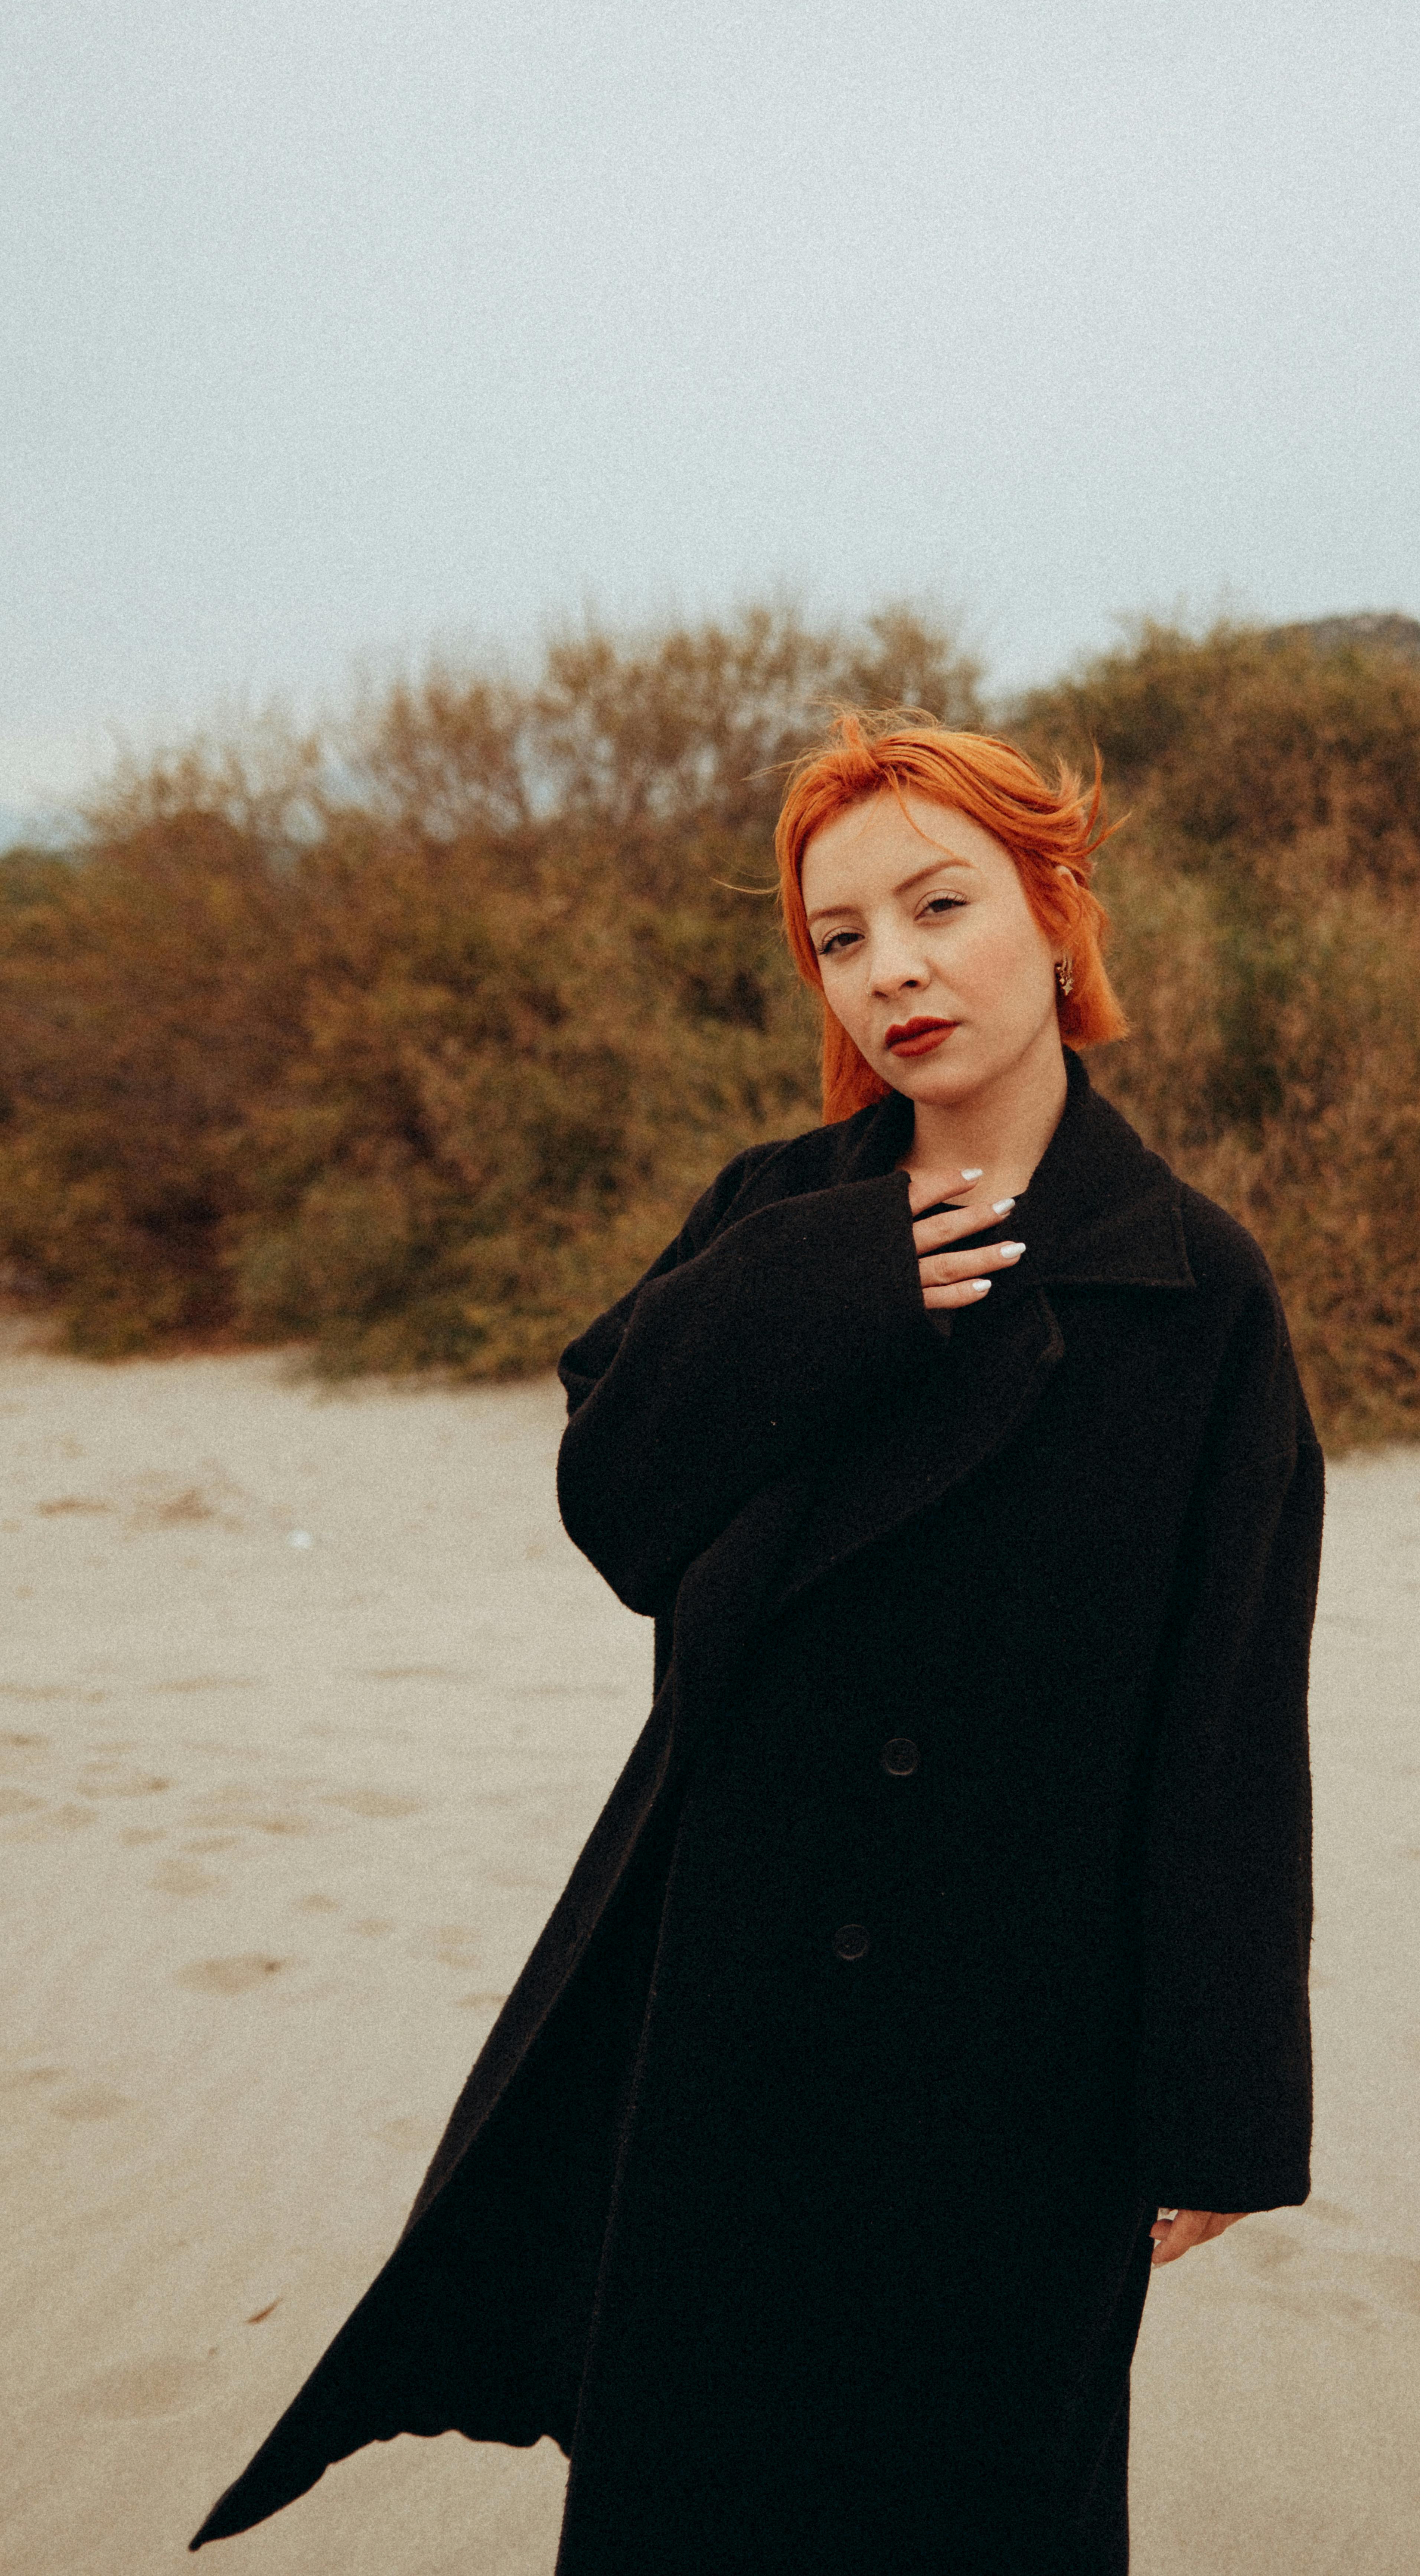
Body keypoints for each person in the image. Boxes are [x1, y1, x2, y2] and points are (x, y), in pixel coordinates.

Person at [189, 711, 1323, 2576]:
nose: (893, 971)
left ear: (1054, 916)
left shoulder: (1192, 1287)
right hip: (722, 2020)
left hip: (1016, 2064)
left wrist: (1216, 2103)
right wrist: (840, 1284)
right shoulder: (766, 1220)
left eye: (938, 905)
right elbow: (616, 1507)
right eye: (841, 937)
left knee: (983, 2510)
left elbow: (1227, 1725)